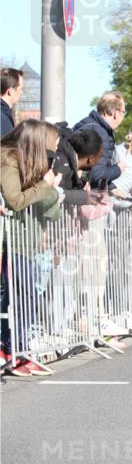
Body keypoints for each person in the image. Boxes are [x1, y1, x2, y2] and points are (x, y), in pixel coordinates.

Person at [0, 120, 62, 377]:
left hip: (28, 242)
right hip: (12, 241)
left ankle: (12, 349)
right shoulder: (8, 159)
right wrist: (45, 186)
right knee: (23, 297)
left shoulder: (33, 163)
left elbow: (52, 211)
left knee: (20, 297)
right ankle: (16, 350)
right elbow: (15, 200)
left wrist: (50, 190)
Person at [72, 91, 126, 191]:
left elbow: (90, 170)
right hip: (83, 193)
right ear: (116, 113)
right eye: (124, 112)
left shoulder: (86, 124)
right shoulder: (100, 133)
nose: (123, 116)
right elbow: (97, 174)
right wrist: (118, 169)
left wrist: (112, 188)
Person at [52, 127, 104, 206]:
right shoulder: (62, 164)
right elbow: (55, 193)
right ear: (91, 158)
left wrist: (87, 191)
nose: (99, 161)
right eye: (99, 157)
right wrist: (83, 197)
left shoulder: (82, 171)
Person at [0, 67, 24, 138]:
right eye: (20, 89)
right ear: (10, 91)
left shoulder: (5, 114)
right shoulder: (2, 117)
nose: (21, 92)